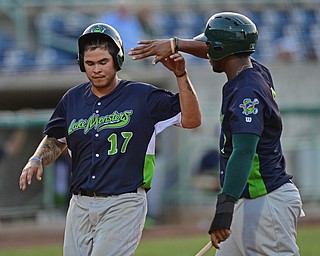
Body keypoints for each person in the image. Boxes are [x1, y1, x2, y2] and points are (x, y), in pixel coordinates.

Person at [129, 12, 304, 255]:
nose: (206, 53)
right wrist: (175, 44)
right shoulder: (255, 70)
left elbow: (243, 152)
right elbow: (217, 49)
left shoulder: (246, 93)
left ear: (221, 49)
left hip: (265, 202)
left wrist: (224, 209)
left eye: (210, 46)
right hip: (246, 198)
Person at [19, 23, 201, 256]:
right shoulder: (72, 99)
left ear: (117, 60)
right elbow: (55, 138)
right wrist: (36, 159)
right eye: (90, 63)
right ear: (81, 64)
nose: (96, 69)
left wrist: (180, 74)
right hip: (80, 204)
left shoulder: (142, 96)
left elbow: (192, 119)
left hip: (123, 202)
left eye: (103, 62)